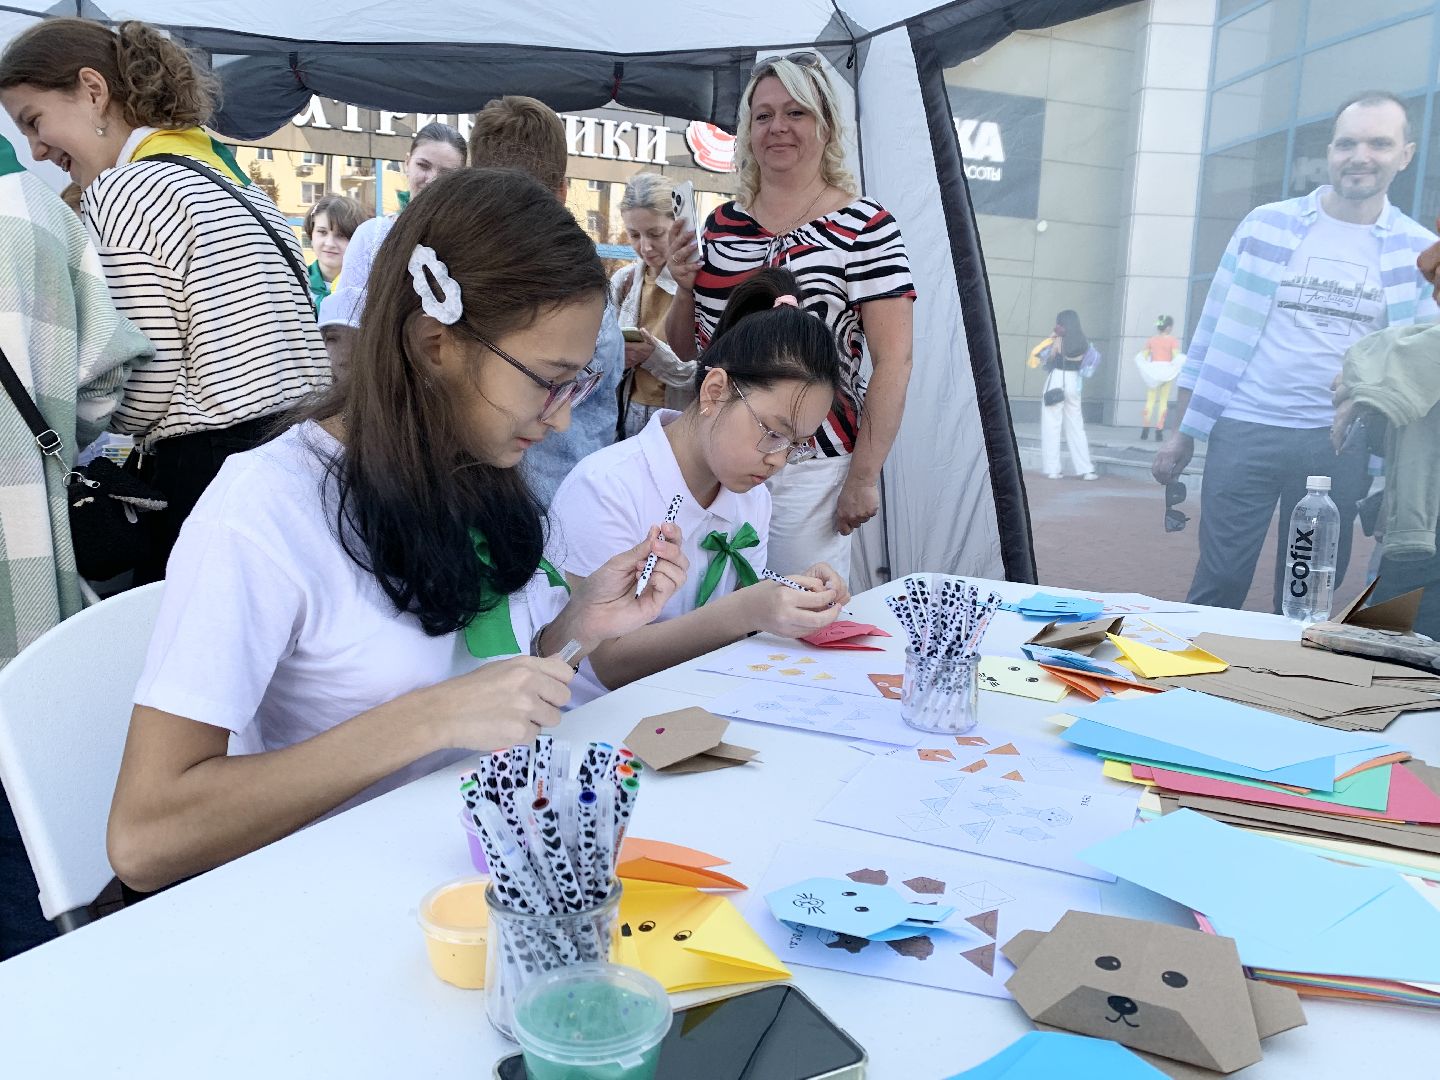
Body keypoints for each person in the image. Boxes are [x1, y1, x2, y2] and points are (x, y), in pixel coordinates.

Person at [105, 169, 689, 894]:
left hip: (469, 884)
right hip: (328, 904)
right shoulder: (267, 509)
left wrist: (578, 626)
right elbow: (145, 834)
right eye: (547, 380)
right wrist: (425, 721)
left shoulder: (473, 467)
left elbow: (479, 681)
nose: (564, 416)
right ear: (434, 345)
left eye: (580, 384)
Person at [0, 19, 331, 584]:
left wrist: (72, 424)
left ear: (93, 89)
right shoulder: (237, 186)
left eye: (34, 121)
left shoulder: (125, 189)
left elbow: (142, 383)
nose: (35, 148)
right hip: (302, 459)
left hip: (206, 474)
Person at [1152, 90, 1437, 612]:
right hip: (1244, 430)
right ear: (1330, 151)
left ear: (1405, 154)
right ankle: (1195, 686)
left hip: (1338, 444)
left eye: (1379, 143)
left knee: (1309, 595)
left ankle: (1281, 692)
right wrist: (1181, 431)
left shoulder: (1418, 252)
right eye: (1347, 143)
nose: (1360, 156)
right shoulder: (1265, 225)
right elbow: (1211, 331)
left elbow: (1422, 361)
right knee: (1218, 582)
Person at [665, 54, 915, 579]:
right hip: (715, 465)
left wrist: (863, 478)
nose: (778, 127)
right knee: (703, 617)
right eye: (763, 115)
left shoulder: (866, 227)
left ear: (825, 125)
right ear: (747, 131)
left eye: (796, 112)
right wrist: (684, 290)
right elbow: (689, 353)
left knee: (798, 622)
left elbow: (894, 362)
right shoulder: (721, 226)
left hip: (809, 468)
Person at [553, 268, 849, 705]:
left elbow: (736, 613)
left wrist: (791, 592)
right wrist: (750, 610)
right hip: (592, 727)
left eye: (797, 446)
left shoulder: (752, 499)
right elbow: (609, 664)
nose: (778, 460)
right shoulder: (607, 487)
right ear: (714, 390)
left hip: (691, 705)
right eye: (773, 432)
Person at [0, 134, 153, 956]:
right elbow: (107, 369)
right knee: (30, 827)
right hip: (25, 565)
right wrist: (45, 435)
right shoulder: (35, 213)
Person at [469, 95, 624, 505]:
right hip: (562, 500)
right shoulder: (581, 295)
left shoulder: (455, 279)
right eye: (546, 381)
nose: (558, 411)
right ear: (562, 191)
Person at [328, 122, 466, 323]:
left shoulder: (465, 242)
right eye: (423, 165)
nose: (432, 179)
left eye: (446, 174)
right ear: (407, 163)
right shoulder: (371, 235)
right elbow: (347, 319)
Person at [611, 172, 696, 437]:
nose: (645, 247)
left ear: (679, 225)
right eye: (634, 235)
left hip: (678, 420)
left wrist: (653, 355)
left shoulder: (700, 286)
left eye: (656, 234)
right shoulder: (623, 280)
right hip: (624, 417)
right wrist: (616, 356)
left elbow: (709, 371)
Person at [1028, 310, 1100, 481]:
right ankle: (1086, 469)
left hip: (1055, 382)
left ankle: (1053, 469)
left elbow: (1039, 356)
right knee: (1076, 426)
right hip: (1074, 384)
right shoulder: (1084, 343)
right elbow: (1090, 365)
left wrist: (1052, 335)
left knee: (1051, 426)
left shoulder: (1056, 340)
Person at [304, 193, 366, 313]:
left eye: (340, 235)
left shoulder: (366, 290)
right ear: (311, 234)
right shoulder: (296, 283)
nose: (330, 243)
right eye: (322, 232)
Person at [1136, 315, 1182, 441]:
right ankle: (1159, 430)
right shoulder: (1173, 340)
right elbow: (1176, 355)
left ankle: (1145, 430)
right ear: (1168, 328)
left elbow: (1144, 355)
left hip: (1153, 371)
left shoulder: (1151, 340)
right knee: (1163, 401)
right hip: (1167, 371)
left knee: (1150, 400)